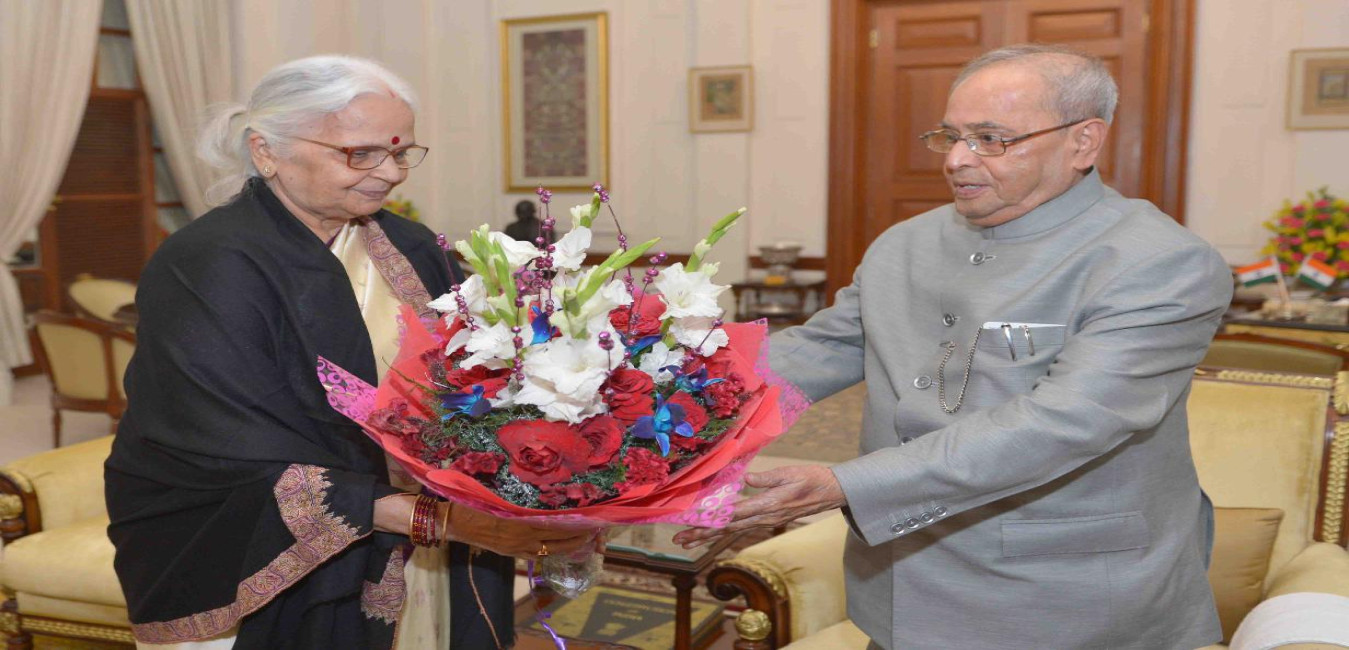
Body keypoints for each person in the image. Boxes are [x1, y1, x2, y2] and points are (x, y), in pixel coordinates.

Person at [676, 44, 1231, 649]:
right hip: (898, 585)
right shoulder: (905, 243)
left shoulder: (1159, 263)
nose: (958, 160)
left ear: (1083, 141)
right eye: (950, 136)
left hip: (1064, 602)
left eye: (991, 139)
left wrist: (846, 485)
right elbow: (821, 349)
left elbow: (1065, 422)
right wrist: (658, 400)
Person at [105, 55, 592, 650]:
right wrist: (438, 519)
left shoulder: (411, 246)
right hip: (239, 541)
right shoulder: (207, 264)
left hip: (423, 540)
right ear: (266, 151)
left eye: (401, 153)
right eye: (361, 154)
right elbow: (228, 448)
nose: (390, 174)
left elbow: (477, 384)